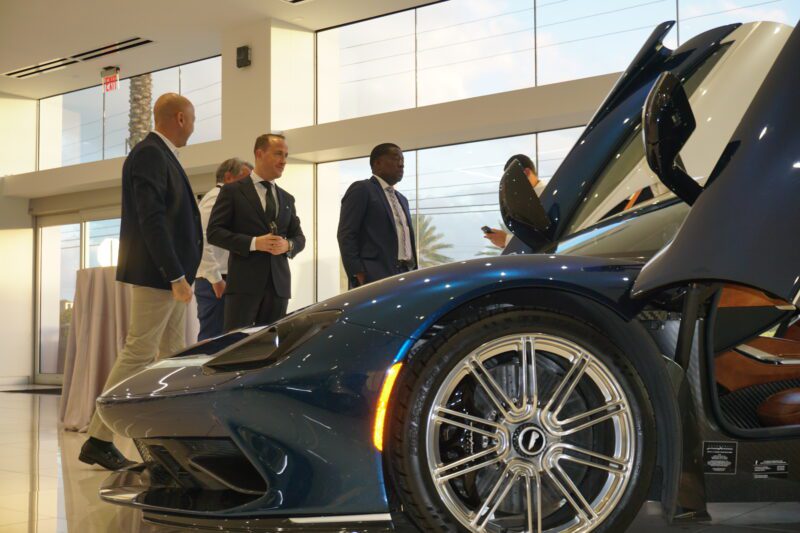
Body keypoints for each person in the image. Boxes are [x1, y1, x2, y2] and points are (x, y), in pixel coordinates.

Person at [79, 93, 201, 470]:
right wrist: (175, 274)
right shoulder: (150, 153)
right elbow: (152, 219)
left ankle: (166, 436)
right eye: (193, 120)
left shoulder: (161, 155)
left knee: (172, 356)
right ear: (179, 118)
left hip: (168, 276)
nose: (194, 127)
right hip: (159, 276)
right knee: (139, 354)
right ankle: (98, 439)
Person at [207, 134, 305, 331]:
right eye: (278, 154)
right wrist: (253, 243)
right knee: (236, 346)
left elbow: (299, 238)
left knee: (272, 346)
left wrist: (288, 245)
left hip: (279, 288)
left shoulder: (287, 199)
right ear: (259, 154)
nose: (284, 160)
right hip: (244, 286)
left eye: (286, 155)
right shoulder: (232, 191)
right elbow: (214, 232)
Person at [338, 143, 417, 288]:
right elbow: (346, 233)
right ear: (378, 163)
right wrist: (357, 273)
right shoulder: (362, 189)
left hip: (405, 274)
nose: (401, 165)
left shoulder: (402, 199)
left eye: (403, 160)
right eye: (395, 159)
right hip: (374, 275)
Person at [194, 158, 252, 340]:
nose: (248, 186)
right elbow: (201, 238)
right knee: (213, 339)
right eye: (244, 179)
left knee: (228, 338)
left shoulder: (227, 197)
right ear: (228, 177)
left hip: (225, 276)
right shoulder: (216, 197)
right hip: (216, 279)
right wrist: (216, 279)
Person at [484, 154, 545, 249]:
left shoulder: (543, 197)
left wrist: (506, 240)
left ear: (527, 172)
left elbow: (543, 239)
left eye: (513, 179)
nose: (511, 187)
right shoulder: (532, 198)